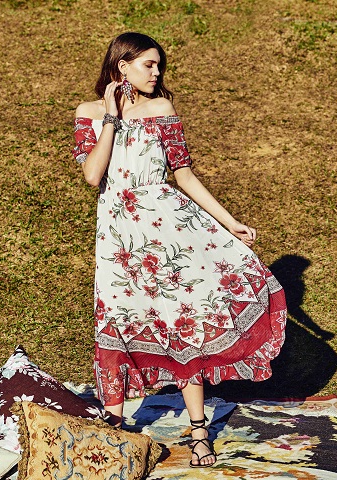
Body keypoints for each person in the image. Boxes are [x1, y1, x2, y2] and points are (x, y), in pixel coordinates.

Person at [72, 32, 287, 468]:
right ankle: (113, 431)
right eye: (148, 64)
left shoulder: (162, 110)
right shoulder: (89, 113)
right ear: (122, 65)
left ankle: (199, 432)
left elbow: (184, 175)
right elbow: (93, 175)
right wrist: (111, 116)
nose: (157, 73)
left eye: (159, 66)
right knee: (116, 319)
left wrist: (229, 222)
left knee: (179, 322)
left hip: (168, 231)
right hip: (117, 238)